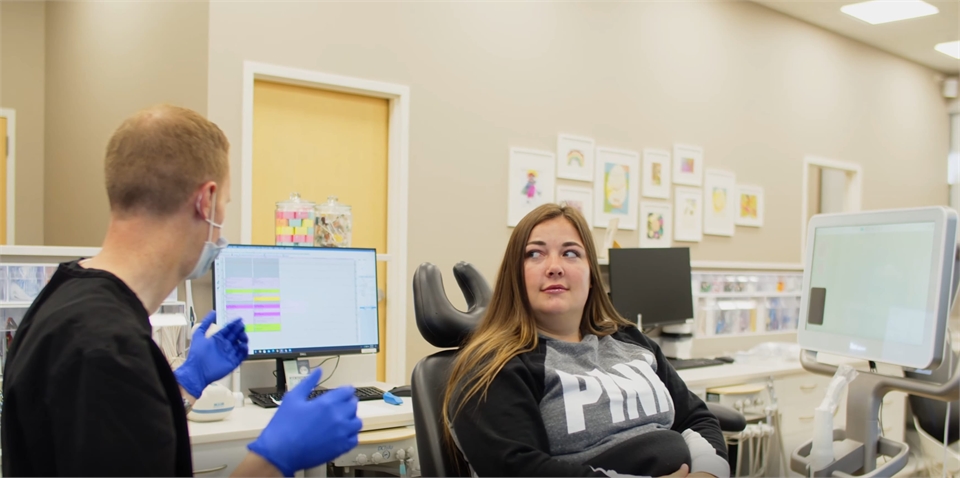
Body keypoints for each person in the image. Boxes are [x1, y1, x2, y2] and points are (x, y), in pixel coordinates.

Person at [1, 105, 362, 477]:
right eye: (224, 205)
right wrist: (275, 457)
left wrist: (186, 384)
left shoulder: (66, 297)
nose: (221, 226)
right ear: (205, 201)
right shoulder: (107, 350)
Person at [442, 204, 729, 478]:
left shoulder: (631, 340)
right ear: (515, 276)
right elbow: (519, 469)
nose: (554, 267)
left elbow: (697, 418)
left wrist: (707, 470)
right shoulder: (496, 366)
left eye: (570, 253)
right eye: (534, 254)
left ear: (591, 275)